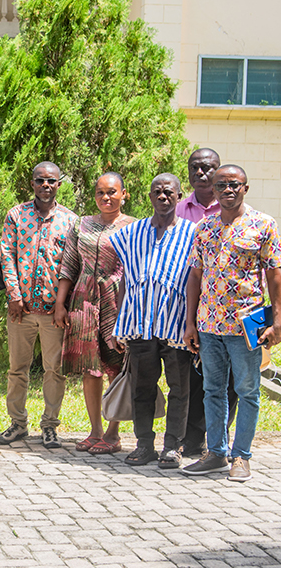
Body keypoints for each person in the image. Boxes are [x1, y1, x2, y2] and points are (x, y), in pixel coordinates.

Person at [183, 165, 281, 482]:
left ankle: (242, 456)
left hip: (246, 326)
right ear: (213, 189)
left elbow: (274, 274)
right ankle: (216, 453)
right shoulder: (204, 227)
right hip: (209, 324)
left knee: (247, 391)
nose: (228, 190)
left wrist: (278, 320)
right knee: (212, 390)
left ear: (245, 188)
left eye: (234, 185)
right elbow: (195, 274)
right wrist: (190, 323)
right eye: (221, 185)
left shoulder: (264, 225)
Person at [110, 174, 196, 468]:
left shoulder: (193, 233)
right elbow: (124, 279)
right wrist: (119, 323)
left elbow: (197, 280)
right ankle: (144, 444)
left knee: (179, 390)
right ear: (149, 196)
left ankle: (172, 447)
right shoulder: (131, 233)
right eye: (157, 192)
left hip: (176, 324)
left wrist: (192, 324)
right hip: (139, 324)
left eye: (168, 192)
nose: (162, 196)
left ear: (179, 196)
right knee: (141, 389)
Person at [0, 162, 78, 449]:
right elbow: (7, 254)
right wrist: (14, 295)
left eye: (51, 181)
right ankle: (18, 423)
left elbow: (71, 264)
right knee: (17, 368)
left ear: (59, 184)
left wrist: (61, 304)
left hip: (54, 311)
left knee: (54, 370)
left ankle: (50, 426)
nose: (46, 185)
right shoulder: (17, 215)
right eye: (40, 180)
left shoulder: (70, 220)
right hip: (22, 309)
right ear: (32, 183)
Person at [53, 172, 134, 454]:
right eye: (100, 192)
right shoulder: (82, 224)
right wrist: (60, 304)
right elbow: (69, 265)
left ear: (124, 194)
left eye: (112, 192)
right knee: (90, 367)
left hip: (117, 300)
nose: (106, 197)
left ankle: (113, 432)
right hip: (84, 300)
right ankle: (95, 430)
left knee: (116, 365)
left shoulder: (134, 227)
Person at [176, 147, 235, 458]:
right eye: (195, 167)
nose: (201, 173)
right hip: (185, 307)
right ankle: (192, 438)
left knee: (229, 380)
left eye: (208, 167)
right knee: (191, 378)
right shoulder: (176, 209)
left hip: (228, 311)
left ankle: (220, 438)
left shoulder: (232, 209)